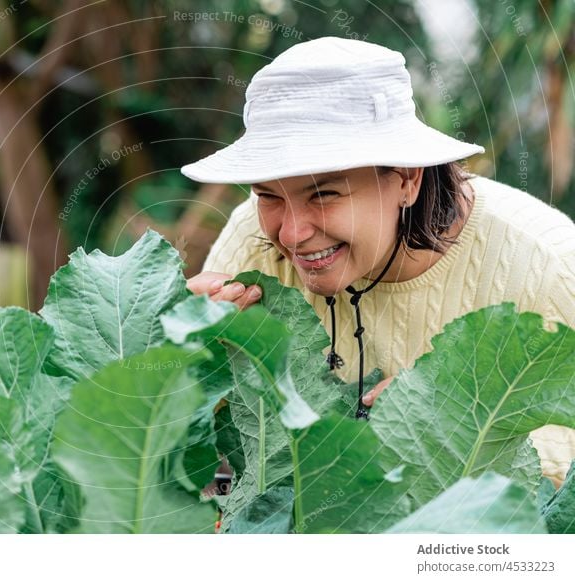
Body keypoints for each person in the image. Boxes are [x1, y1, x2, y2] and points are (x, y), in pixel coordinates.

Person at [181, 37, 575, 487]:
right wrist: (187, 354)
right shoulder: (251, 239)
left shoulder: (550, 265)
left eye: (324, 194)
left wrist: (469, 433)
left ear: (407, 178)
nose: (290, 234)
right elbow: (206, 436)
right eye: (267, 196)